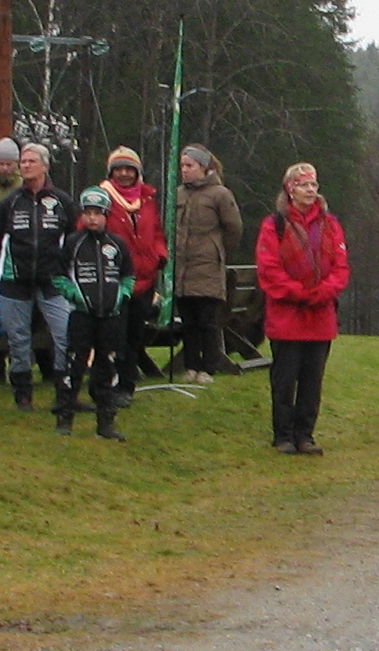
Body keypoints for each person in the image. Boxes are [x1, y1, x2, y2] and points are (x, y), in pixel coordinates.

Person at [254, 163, 348, 454]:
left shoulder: (330, 224)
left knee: (312, 381)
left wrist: (323, 291)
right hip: (287, 317)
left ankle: (305, 435)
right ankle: (283, 435)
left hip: (320, 316)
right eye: (304, 185)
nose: (310, 190)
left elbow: (341, 267)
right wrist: (299, 293)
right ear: (290, 189)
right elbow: (269, 269)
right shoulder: (274, 225)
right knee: (284, 380)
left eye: (313, 185)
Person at [52, 186, 136, 442]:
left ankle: (106, 422)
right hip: (82, 315)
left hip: (111, 316)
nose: (92, 218)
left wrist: (122, 295)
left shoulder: (118, 244)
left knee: (107, 367)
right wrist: (73, 295)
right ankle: (65, 417)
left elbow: (128, 276)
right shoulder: (72, 243)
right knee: (74, 365)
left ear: (106, 215)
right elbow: (58, 276)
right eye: (88, 213)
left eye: (98, 213)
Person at [0, 143, 72, 413]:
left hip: (53, 281)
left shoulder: (62, 201)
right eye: (23, 161)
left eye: (31, 161)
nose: (25, 165)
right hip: (15, 281)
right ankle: (23, 394)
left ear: (45, 166)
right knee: (18, 340)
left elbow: (73, 236)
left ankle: (64, 391)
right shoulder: (10, 202)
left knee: (64, 334)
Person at [169, 146, 246, 382]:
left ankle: (209, 367)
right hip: (183, 269)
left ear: (203, 167)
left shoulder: (220, 194)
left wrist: (217, 251)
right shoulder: (178, 194)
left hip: (208, 268)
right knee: (188, 322)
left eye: (189, 165)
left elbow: (234, 228)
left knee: (208, 322)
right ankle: (191, 366)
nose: (184, 170)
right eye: (182, 166)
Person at [100, 144, 166, 324]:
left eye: (129, 169)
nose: (124, 174)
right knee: (116, 330)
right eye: (118, 169)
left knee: (138, 331)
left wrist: (159, 255)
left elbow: (156, 231)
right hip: (115, 279)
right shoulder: (101, 199)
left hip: (145, 278)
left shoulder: (147, 200)